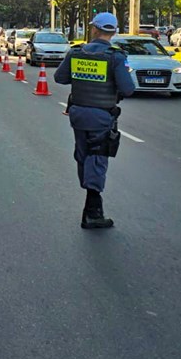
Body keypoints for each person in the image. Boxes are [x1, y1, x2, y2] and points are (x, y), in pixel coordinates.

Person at [54, 12, 135, 229]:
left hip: (78, 115)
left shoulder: (77, 52)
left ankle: (90, 202)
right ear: (114, 31)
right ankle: (92, 211)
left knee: (83, 155)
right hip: (101, 116)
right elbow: (128, 89)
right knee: (97, 157)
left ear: (94, 29)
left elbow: (59, 78)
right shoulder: (115, 57)